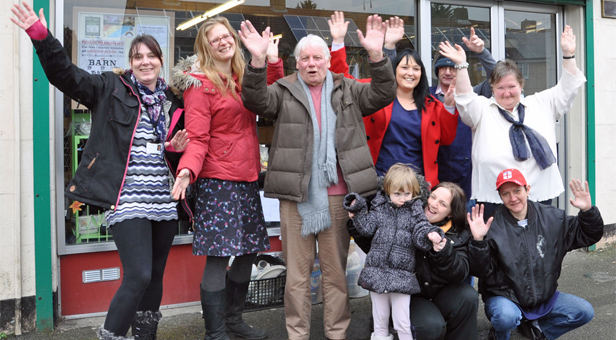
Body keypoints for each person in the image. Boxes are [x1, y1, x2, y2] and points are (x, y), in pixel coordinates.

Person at [11, 3, 190, 339]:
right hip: (127, 200)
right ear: (131, 63)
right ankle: (112, 335)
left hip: (163, 201)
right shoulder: (110, 88)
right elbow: (66, 75)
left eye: (151, 55)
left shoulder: (173, 100)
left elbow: (180, 151)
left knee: (154, 275)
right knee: (137, 274)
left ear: (161, 60)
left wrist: (175, 151)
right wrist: (41, 36)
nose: (145, 61)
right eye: (138, 57)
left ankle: (145, 336)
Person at [238, 15, 396, 340]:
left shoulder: (347, 88)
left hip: (338, 198)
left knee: (336, 275)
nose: (312, 64)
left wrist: (378, 57)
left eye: (318, 57)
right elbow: (255, 100)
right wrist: (257, 61)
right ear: (297, 63)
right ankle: (298, 336)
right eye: (305, 59)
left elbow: (383, 94)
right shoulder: (283, 90)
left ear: (327, 60)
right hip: (297, 200)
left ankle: (336, 334)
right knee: (296, 278)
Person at [169, 17, 283, 340]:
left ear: (234, 40)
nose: (222, 42)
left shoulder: (242, 76)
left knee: (247, 251)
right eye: (214, 39)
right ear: (206, 48)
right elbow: (198, 138)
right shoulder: (199, 84)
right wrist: (187, 170)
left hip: (247, 177)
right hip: (218, 181)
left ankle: (234, 321)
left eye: (226, 36)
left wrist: (271, 60)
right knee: (219, 257)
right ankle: (215, 332)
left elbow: (271, 98)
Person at [439, 25, 586, 218]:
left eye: (512, 86)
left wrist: (568, 55)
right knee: (499, 246)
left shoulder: (542, 103)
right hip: (494, 196)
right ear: (492, 87)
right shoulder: (483, 109)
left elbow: (568, 87)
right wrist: (461, 65)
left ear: (521, 85)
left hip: (538, 192)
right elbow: (465, 98)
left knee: (538, 244)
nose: (506, 93)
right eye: (500, 87)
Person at [467, 168, 604, 340]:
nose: (513, 198)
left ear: (527, 189)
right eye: (506, 194)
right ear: (500, 197)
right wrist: (478, 241)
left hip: (543, 298)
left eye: (517, 191)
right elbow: (481, 270)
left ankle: (539, 330)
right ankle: (499, 334)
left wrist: (587, 212)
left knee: (584, 311)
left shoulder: (552, 218)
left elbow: (587, 235)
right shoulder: (493, 225)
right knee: (506, 317)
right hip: (506, 298)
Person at [328, 11, 458, 188]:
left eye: (416, 68)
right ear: (393, 71)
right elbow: (342, 80)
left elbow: (447, 139)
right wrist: (337, 42)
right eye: (404, 67)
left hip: (416, 186)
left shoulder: (432, 105)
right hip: (377, 182)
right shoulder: (372, 94)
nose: (410, 73)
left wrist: (449, 107)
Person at [349, 181, 479, 340]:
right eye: (433, 197)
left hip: (437, 291)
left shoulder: (458, 232)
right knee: (431, 325)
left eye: (443, 204)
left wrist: (442, 251)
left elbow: (459, 273)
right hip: (405, 294)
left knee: (468, 296)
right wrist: (357, 223)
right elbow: (375, 248)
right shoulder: (404, 215)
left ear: (451, 213)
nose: (433, 204)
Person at [343, 163, 445, 340]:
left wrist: (432, 234)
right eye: (397, 193)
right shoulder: (379, 208)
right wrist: (358, 210)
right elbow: (367, 228)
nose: (403, 198)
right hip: (377, 271)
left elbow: (421, 230)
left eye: (407, 193)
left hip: (402, 275)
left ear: (413, 192)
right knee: (380, 320)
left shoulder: (415, 212)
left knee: (402, 321)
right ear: (388, 190)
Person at [432, 27, 496, 201]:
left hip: (468, 172)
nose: (447, 72)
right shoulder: (426, 95)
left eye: (453, 67)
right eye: (443, 67)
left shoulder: (474, 94)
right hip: (436, 169)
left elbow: (497, 77)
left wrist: (482, 52)